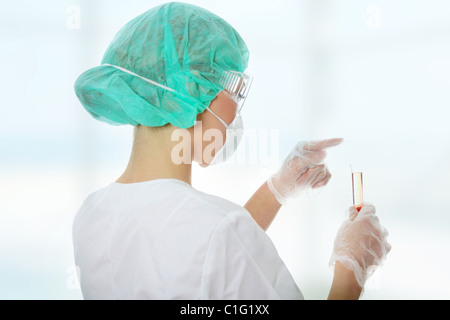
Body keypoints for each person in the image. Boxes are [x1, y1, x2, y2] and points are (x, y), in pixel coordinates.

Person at [72, 2, 390, 300]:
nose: (236, 109)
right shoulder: (215, 230)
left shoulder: (91, 214)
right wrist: (351, 270)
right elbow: (213, 249)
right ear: (192, 89)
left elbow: (202, 262)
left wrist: (277, 189)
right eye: (234, 89)